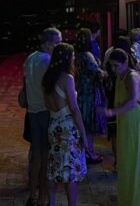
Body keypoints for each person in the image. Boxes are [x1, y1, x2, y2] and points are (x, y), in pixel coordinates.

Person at [98, 49, 140, 205]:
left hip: (136, 126)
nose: (114, 69)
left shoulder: (132, 77)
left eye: (116, 66)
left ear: (125, 63)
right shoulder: (120, 77)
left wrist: (111, 112)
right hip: (126, 126)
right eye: (112, 66)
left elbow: (133, 100)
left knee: (136, 166)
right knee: (127, 165)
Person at [42, 43, 87, 206]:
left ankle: (52, 203)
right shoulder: (67, 78)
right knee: (70, 173)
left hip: (54, 126)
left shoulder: (47, 78)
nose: (74, 58)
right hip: (68, 128)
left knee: (54, 168)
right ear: (67, 58)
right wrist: (83, 133)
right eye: (73, 56)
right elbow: (74, 109)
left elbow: (47, 105)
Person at [24, 27, 61, 206]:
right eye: (57, 43)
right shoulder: (48, 61)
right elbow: (52, 90)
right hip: (46, 111)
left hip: (32, 111)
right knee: (46, 157)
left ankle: (32, 195)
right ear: (48, 43)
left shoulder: (29, 59)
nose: (59, 47)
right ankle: (43, 199)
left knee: (35, 155)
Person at [75, 29, 107, 163]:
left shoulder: (75, 55)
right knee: (88, 125)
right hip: (89, 93)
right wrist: (105, 73)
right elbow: (97, 73)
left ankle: (85, 151)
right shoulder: (87, 55)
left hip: (80, 91)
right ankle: (90, 152)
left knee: (83, 123)